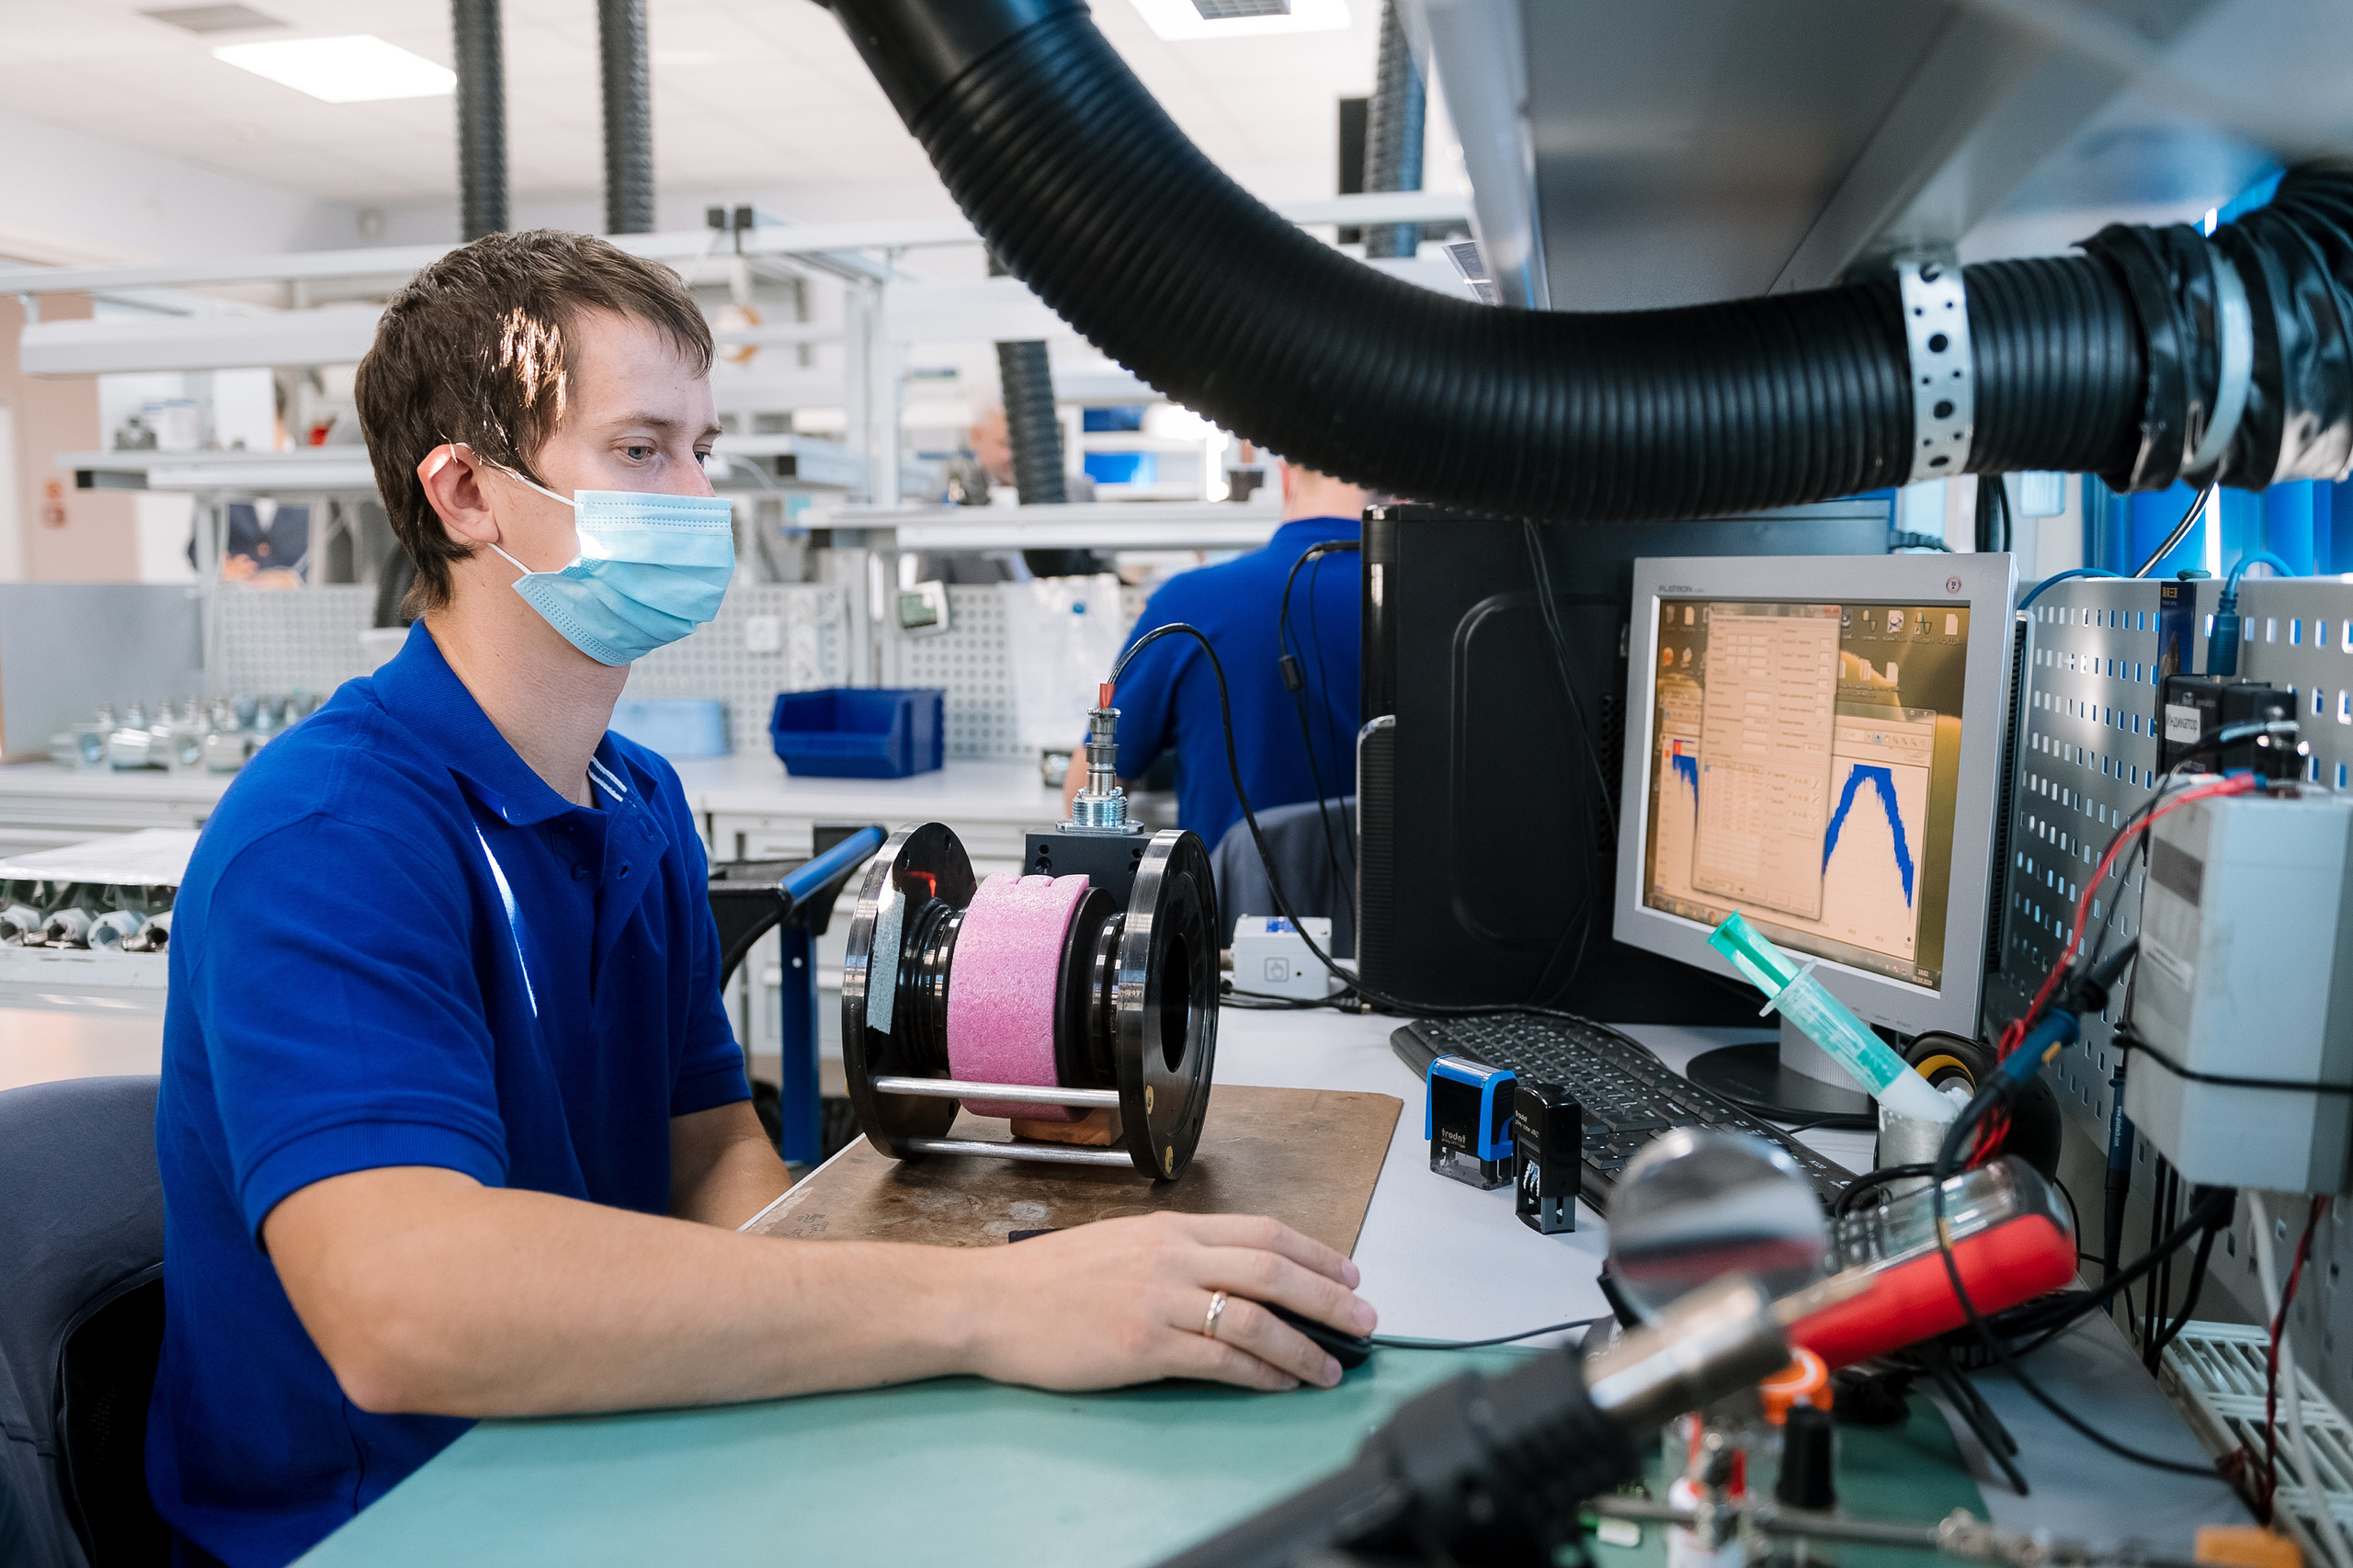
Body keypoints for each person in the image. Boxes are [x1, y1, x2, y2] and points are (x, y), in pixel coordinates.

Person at [146, 231, 1373, 1568]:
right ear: (464, 494)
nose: (695, 495)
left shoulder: (635, 799)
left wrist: (893, 1323)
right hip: (382, 1517)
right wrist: (974, 1305)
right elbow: (402, 1310)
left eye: (703, 451)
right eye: (639, 449)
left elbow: (712, 1155)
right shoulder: (332, 837)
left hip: (599, 1452)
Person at [1062, 462, 1367, 854]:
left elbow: (1085, 791)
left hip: (1227, 907)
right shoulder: (1444, 610)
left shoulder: (1189, 601)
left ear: (1286, 476)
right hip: (1398, 910)